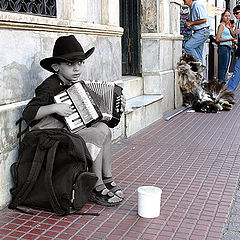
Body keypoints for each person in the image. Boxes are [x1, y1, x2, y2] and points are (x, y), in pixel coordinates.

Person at [23, 35, 124, 207]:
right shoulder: (49, 86)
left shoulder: (77, 85)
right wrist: (54, 108)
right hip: (53, 136)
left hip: (70, 131)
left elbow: (100, 114)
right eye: (70, 64)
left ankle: (107, 177)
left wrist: (117, 108)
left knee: (104, 128)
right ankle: (96, 185)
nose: (77, 69)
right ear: (56, 67)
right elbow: (29, 113)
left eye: (80, 63)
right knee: (95, 133)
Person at [216, 10, 235, 82]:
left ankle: (222, 83)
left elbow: (234, 35)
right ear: (222, 17)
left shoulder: (227, 26)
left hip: (228, 48)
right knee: (222, 68)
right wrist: (229, 39)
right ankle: (221, 83)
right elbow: (218, 38)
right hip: (223, 47)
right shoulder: (221, 26)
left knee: (226, 68)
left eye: (229, 16)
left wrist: (230, 28)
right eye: (226, 16)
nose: (227, 18)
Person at [226, 5, 240, 92]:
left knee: (237, 70)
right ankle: (229, 90)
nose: (236, 15)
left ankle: (229, 90)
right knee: (237, 69)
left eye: (237, 13)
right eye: (234, 14)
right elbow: (234, 35)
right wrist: (231, 28)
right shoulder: (238, 22)